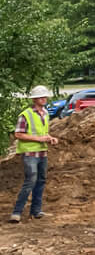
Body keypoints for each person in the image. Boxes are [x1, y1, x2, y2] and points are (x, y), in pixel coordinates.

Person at [10, 85, 58, 223]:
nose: (44, 99)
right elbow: (18, 134)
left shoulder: (45, 113)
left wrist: (50, 138)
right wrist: (39, 139)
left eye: (45, 96)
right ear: (35, 99)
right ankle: (17, 212)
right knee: (30, 181)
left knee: (41, 181)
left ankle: (36, 211)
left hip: (42, 153)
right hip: (30, 153)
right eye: (41, 97)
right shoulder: (26, 115)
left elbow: (43, 133)